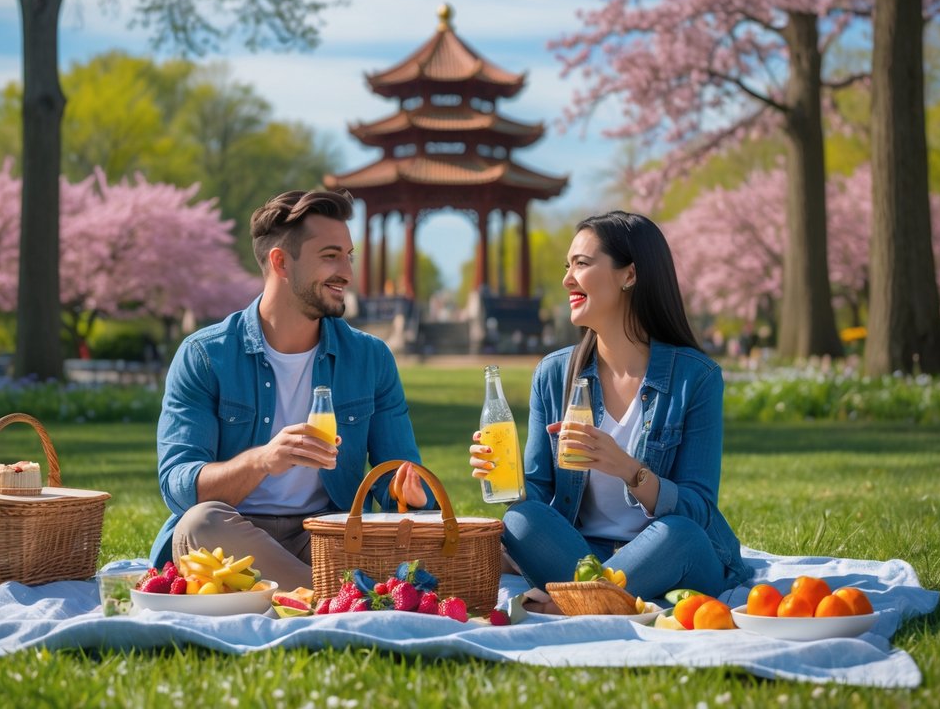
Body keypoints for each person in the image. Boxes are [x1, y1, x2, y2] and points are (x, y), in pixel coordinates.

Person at [150, 189, 431, 588]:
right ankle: (339, 597)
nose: (348, 273)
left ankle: (315, 593)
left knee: (409, 548)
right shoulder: (205, 355)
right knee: (200, 524)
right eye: (330, 256)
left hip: (327, 536)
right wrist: (263, 460)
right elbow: (180, 486)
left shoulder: (371, 358)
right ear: (281, 262)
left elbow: (399, 478)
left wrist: (410, 495)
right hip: (231, 536)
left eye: (348, 256)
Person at [470, 211, 751, 602]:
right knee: (521, 519)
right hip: (582, 555)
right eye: (567, 266)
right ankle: (597, 601)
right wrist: (503, 477)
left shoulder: (696, 378)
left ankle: (575, 602)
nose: (567, 279)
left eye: (582, 264)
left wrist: (628, 469)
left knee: (681, 534)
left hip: (670, 555)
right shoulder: (553, 374)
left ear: (629, 275)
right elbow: (535, 497)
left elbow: (698, 511)